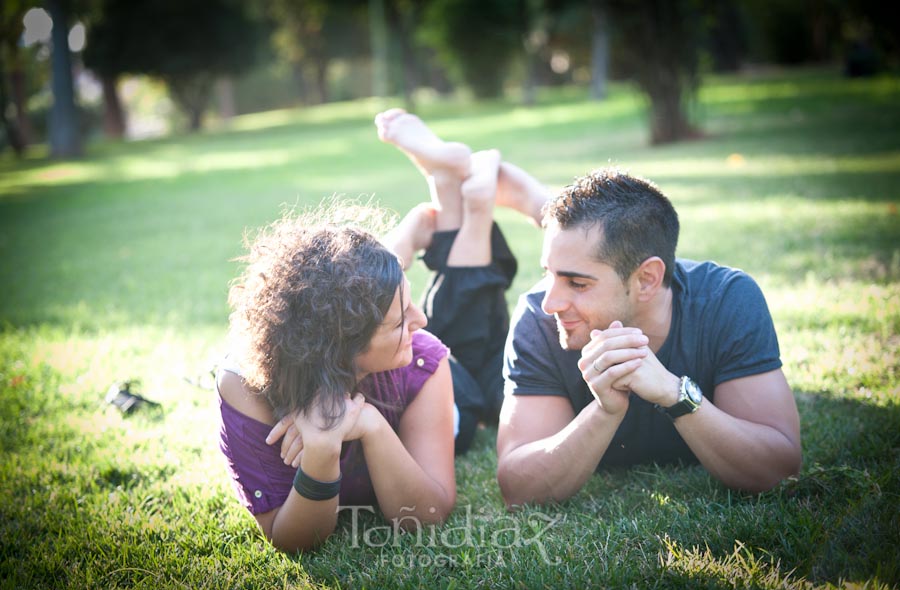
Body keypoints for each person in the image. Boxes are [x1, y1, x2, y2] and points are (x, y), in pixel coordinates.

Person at [215, 108, 540, 552]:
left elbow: (425, 516)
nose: (420, 318)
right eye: (401, 318)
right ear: (337, 350)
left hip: (451, 394)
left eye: (408, 306)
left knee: (473, 357)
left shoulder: (423, 356)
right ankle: (453, 199)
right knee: (467, 334)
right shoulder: (244, 384)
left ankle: (463, 208)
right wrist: (322, 452)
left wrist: (369, 424)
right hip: (365, 356)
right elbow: (288, 539)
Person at [496, 168, 803, 507]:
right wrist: (603, 412)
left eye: (578, 284)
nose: (551, 303)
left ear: (646, 279)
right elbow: (517, 489)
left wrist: (675, 394)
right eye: (548, 274)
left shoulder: (726, 300)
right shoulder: (538, 319)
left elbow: (781, 469)